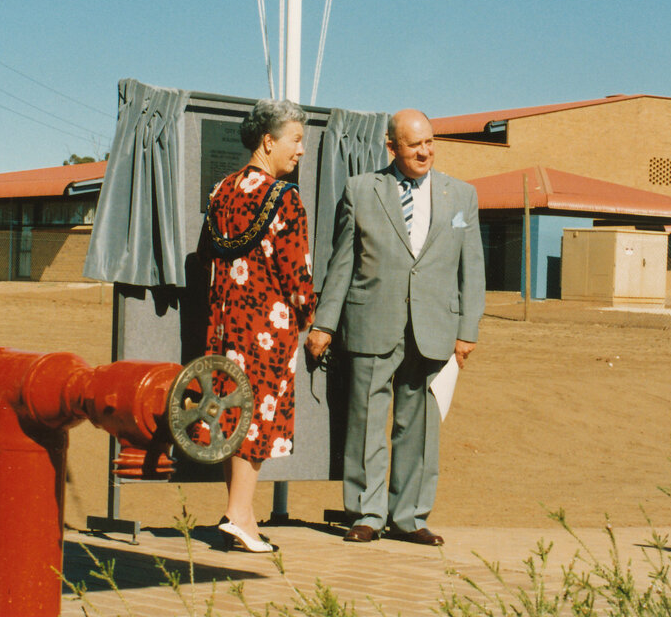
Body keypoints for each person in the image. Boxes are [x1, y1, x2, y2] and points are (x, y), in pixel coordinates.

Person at [305, 108, 485, 545]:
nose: (425, 152)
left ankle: (410, 518)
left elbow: (473, 267)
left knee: (419, 428)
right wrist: (324, 322)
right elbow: (341, 263)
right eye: (414, 144)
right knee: (365, 422)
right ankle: (366, 514)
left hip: (434, 328)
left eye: (429, 142)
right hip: (371, 321)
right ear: (391, 146)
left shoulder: (462, 196)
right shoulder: (361, 189)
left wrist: (468, 330)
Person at [196, 98, 316, 553]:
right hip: (267, 325)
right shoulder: (285, 197)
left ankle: (242, 515)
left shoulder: (222, 190)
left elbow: (206, 256)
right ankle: (236, 515)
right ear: (268, 141)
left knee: (232, 413)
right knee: (256, 417)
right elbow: (297, 274)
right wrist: (308, 316)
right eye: (295, 140)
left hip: (223, 323)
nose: (301, 150)